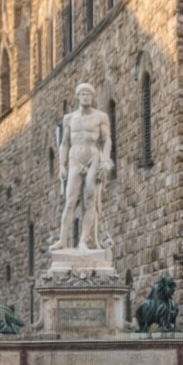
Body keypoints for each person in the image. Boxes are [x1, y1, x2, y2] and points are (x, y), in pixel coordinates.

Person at [52, 82, 114, 252]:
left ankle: (83, 241)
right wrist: (61, 166)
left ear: (92, 97)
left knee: (90, 199)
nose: (86, 96)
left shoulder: (101, 117)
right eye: (82, 93)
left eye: (89, 94)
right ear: (78, 97)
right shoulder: (69, 118)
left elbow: (106, 139)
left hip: (93, 157)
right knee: (70, 201)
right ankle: (62, 240)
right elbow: (64, 143)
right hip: (75, 159)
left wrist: (105, 161)